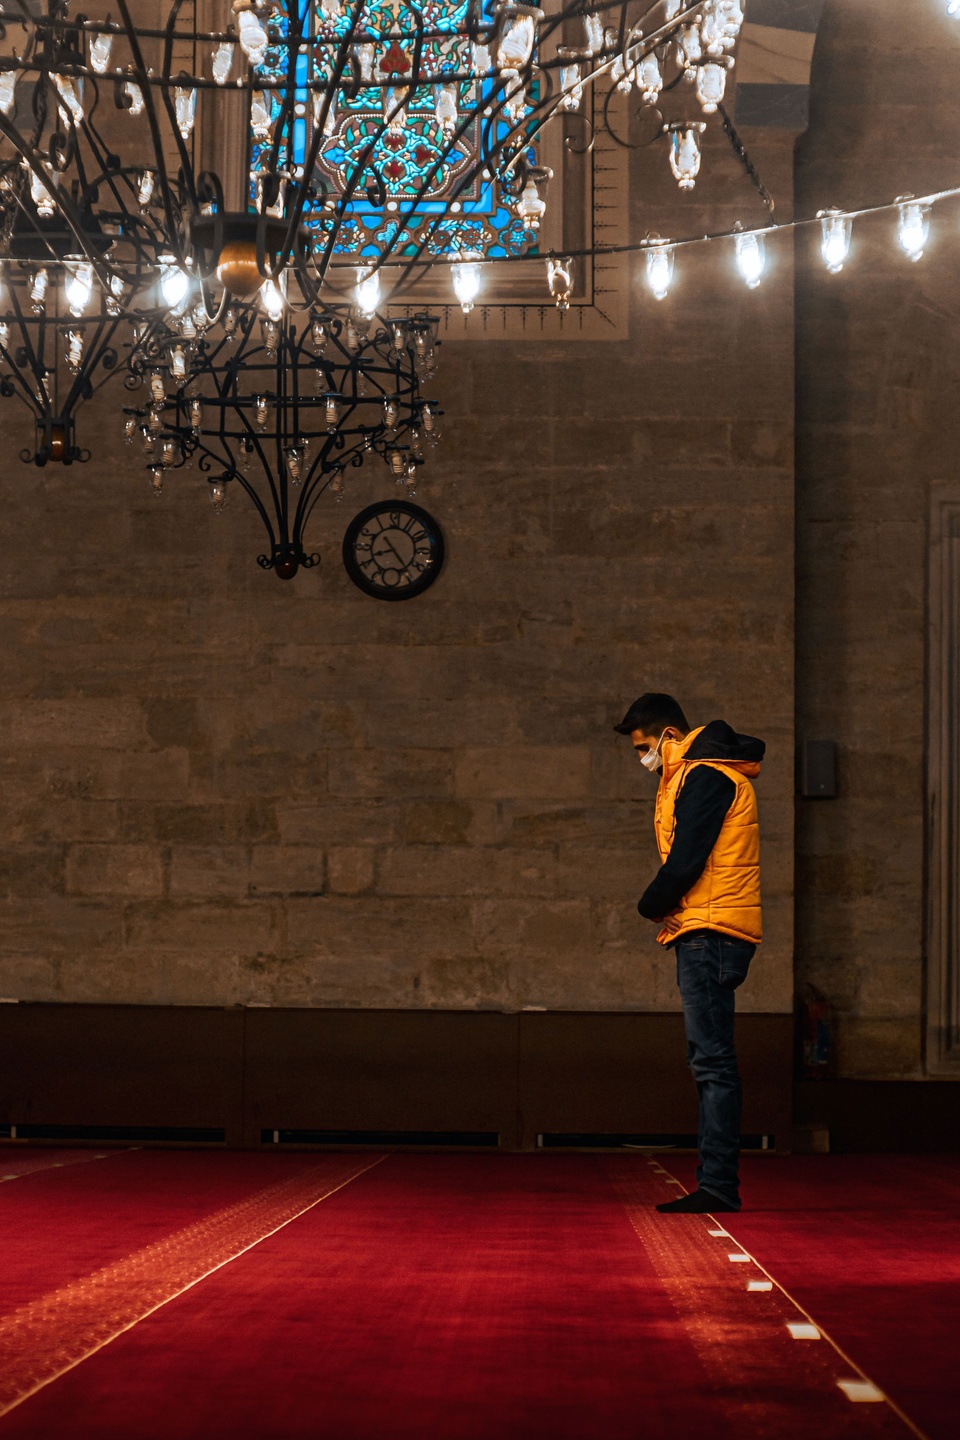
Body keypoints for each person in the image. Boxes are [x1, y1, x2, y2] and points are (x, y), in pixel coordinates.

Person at [614, 692, 764, 1214]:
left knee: (712, 1062)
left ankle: (718, 1185)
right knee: (710, 1059)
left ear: (670, 735)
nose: (643, 758)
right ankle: (716, 1182)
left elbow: (686, 860)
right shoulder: (693, 774)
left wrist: (650, 906)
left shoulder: (705, 776)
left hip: (710, 932)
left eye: (644, 747)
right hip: (710, 928)